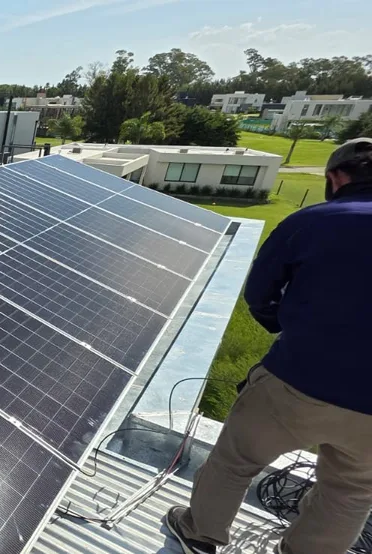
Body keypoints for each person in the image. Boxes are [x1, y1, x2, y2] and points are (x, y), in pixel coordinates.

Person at [165, 137, 372, 554]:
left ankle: (200, 533)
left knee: (235, 460)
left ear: (335, 178)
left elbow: (260, 293)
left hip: (297, 380)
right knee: (350, 493)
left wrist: (281, 324)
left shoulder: (311, 222)